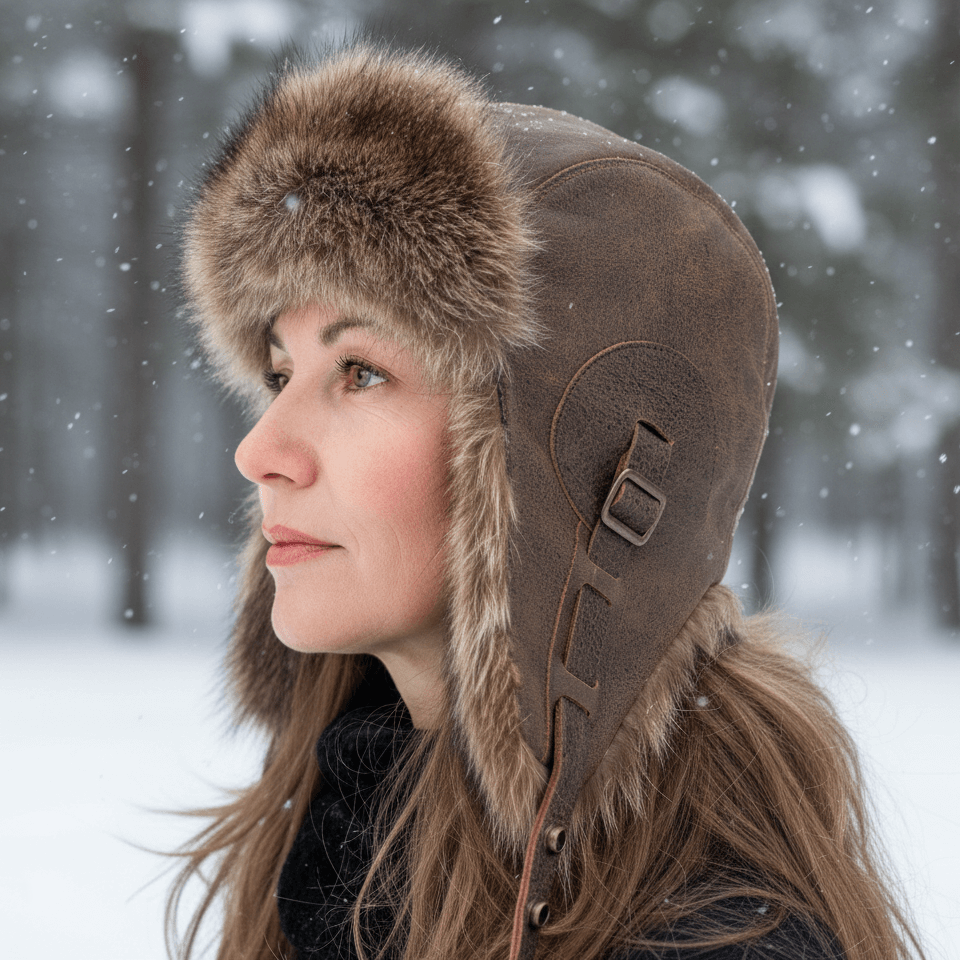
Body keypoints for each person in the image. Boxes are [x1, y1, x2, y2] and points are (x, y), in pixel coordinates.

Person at [170, 42, 923, 960]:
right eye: (280, 372)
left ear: (551, 473)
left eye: (360, 371)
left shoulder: (707, 940)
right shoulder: (335, 843)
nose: (260, 450)